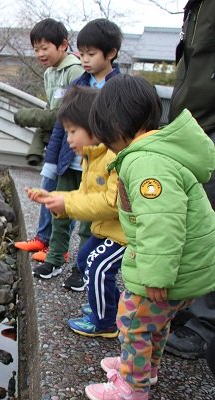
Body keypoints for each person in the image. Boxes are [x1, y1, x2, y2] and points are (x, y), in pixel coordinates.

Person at [84, 74, 215, 400]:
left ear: (116, 124)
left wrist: (157, 275)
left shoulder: (145, 162)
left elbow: (162, 223)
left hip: (169, 269)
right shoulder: (158, 151)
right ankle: (144, 369)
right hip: (187, 266)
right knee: (156, 323)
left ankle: (132, 387)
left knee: (134, 322)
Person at [31, 18, 122, 293]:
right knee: (61, 212)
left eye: (91, 54)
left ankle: (82, 269)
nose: (84, 60)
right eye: (82, 54)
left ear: (111, 53)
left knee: (89, 220)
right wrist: (50, 161)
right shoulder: (78, 83)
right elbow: (61, 124)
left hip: (97, 165)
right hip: (68, 161)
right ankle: (55, 258)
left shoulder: (118, 88)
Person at [26, 85, 125, 338]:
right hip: (106, 229)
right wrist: (54, 198)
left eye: (72, 131)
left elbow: (110, 203)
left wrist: (66, 204)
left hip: (124, 233)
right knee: (84, 260)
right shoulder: (90, 157)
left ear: (94, 127)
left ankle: (105, 323)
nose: (68, 138)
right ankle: (105, 306)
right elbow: (84, 195)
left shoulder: (114, 157)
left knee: (98, 266)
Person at [164, 0, 215, 361]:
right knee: (191, 219)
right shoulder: (195, 8)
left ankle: (205, 326)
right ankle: (190, 305)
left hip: (208, 128)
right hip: (193, 127)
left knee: (208, 223)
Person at [13, 18, 84, 264]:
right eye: (36, 49)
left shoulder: (75, 70)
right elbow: (50, 107)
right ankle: (42, 239)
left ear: (63, 45)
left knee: (64, 196)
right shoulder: (49, 73)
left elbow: (68, 110)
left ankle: (58, 247)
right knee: (46, 188)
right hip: (56, 140)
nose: (40, 54)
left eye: (45, 48)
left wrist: (30, 117)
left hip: (71, 142)